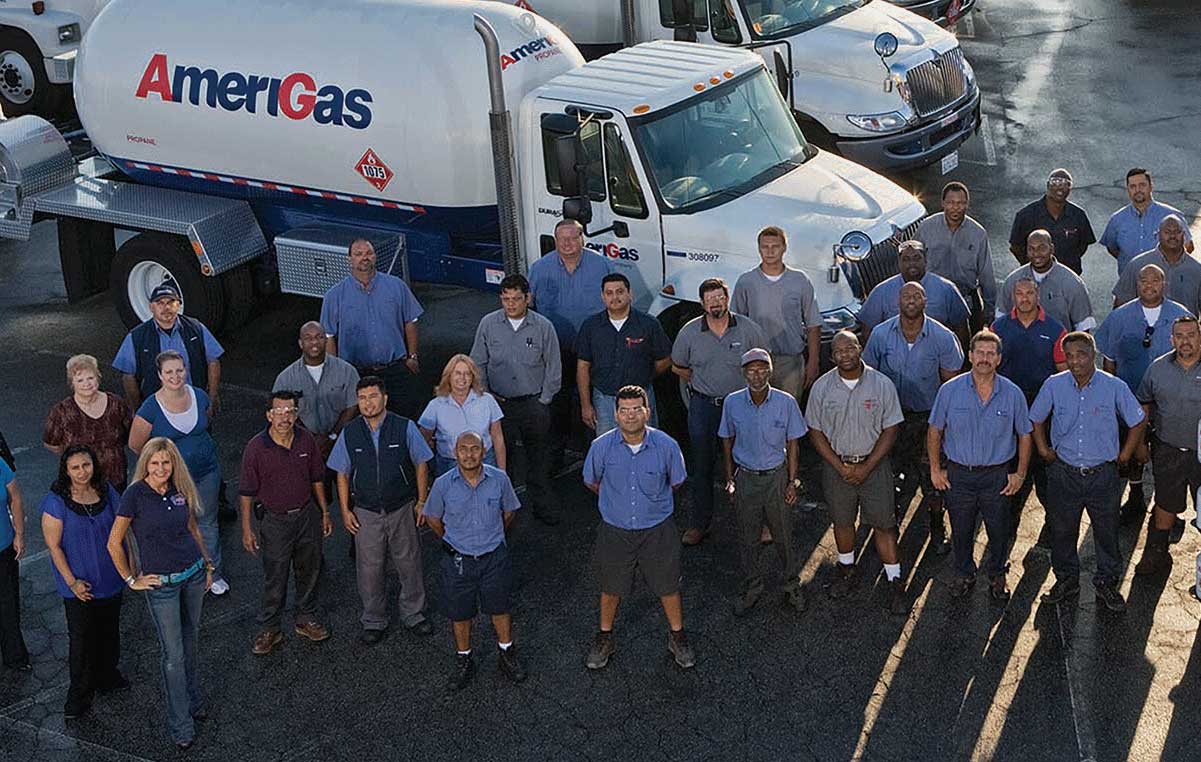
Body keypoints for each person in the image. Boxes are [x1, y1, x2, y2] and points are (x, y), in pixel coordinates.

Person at [107, 438, 215, 750]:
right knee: (173, 655)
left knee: (191, 643)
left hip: (193, 575)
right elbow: (114, 542)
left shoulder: (180, 488)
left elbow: (193, 529)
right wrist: (131, 579)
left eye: (166, 463)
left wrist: (208, 564)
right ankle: (181, 725)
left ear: (173, 464)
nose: (160, 468)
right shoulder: (134, 495)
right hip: (162, 587)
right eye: (154, 463)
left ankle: (195, 702)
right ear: (146, 465)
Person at [1031, 332, 1146, 613]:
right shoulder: (1054, 385)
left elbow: (1137, 419)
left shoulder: (1114, 386)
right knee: (1062, 530)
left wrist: (1125, 454)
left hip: (1102, 475)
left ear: (1092, 354)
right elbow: (1035, 418)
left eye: (1081, 354)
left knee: (1106, 531)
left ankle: (1106, 582)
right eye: (1068, 356)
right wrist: (1044, 450)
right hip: (1064, 473)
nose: (1075, 361)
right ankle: (1066, 580)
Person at [582, 385, 693, 670]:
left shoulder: (667, 446)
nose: (630, 416)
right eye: (624, 410)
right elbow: (592, 481)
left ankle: (677, 636)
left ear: (648, 411)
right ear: (616, 414)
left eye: (636, 409)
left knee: (668, 585)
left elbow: (676, 481)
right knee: (611, 587)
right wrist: (617, 504)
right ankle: (605, 637)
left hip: (657, 529)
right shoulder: (600, 447)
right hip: (615, 530)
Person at [805, 332, 908, 614]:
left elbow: (891, 428)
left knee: (884, 524)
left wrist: (867, 466)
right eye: (838, 351)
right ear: (832, 356)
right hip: (837, 466)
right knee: (842, 521)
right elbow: (815, 431)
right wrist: (840, 467)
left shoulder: (882, 384)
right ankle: (846, 570)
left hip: (874, 466)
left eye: (850, 348)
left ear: (859, 348)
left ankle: (894, 581)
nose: (845, 354)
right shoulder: (822, 388)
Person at [327, 376, 434, 644]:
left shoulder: (404, 427)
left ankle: (414, 614)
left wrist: (421, 501)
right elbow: (341, 472)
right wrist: (345, 510)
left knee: (409, 562)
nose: (367, 403)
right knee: (369, 568)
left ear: (384, 399)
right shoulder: (350, 433)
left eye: (372, 396)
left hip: (401, 507)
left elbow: (421, 462)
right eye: (362, 398)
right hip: (366, 512)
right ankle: (374, 619)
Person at [927, 331, 1032, 601]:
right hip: (959, 476)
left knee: (999, 530)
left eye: (990, 354)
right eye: (979, 353)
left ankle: (997, 574)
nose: (984, 358)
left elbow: (1024, 435)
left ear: (998, 359)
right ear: (970, 355)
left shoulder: (1012, 393)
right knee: (961, 531)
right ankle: (963, 573)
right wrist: (935, 470)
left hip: (997, 476)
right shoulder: (949, 390)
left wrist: (1019, 474)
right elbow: (935, 431)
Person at [863, 281, 964, 554]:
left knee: (932, 480)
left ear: (925, 301)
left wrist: (946, 424)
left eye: (916, 296)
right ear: (898, 301)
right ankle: (888, 524)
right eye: (905, 295)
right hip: (890, 421)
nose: (910, 300)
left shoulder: (942, 337)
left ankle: (936, 526)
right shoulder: (881, 335)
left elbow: (951, 383)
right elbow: (867, 378)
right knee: (889, 475)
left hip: (927, 421)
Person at [423, 431, 524, 689]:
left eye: (475, 448)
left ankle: (506, 653)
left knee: (500, 607)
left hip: (494, 557)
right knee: (460, 613)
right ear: (454, 452)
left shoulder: (499, 479)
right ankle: (464, 659)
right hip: (458, 559)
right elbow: (433, 518)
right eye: (463, 449)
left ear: (484, 450)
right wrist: (453, 541)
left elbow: (509, 511)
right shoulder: (443, 484)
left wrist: (493, 535)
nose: (469, 454)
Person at [673, 278, 769, 545]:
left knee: (748, 466)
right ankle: (699, 525)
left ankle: (757, 524)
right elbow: (676, 365)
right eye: (710, 298)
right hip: (703, 407)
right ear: (702, 303)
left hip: (741, 406)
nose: (716, 302)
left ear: (728, 299)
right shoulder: (689, 332)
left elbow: (763, 362)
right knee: (702, 467)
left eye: (720, 297)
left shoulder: (748, 329)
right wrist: (694, 377)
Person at [239, 391, 333, 656]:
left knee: (309, 569)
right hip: (275, 521)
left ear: (297, 414)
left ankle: (305, 618)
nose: (284, 417)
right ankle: (270, 628)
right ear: (269, 415)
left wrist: (325, 512)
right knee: (275, 575)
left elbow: (317, 479)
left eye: (290, 411)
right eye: (278, 412)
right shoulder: (256, 448)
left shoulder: (307, 442)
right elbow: (246, 492)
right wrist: (247, 529)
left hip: (306, 516)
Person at [1096, 264, 1190, 525]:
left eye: (1155, 281)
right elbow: (1109, 359)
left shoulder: (1180, 316)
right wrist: (1113, 396)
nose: (1149, 286)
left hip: (1170, 401)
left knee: (1167, 454)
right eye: (1144, 281)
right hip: (1131, 398)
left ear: (1164, 284)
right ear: (1136, 285)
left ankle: (1167, 506)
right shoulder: (1120, 317)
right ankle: (1135, 496)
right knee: (1133, 451)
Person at [128, 350, 227, 596]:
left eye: (180, 370)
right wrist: (161, 469)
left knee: (207, 522)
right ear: (160, 375)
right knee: (178, 525)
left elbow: (206, 424)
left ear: (186, 370)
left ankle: (213, 573)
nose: (175, 376)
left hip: (207, 472)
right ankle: (181, 575)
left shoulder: (201, 396)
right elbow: (136, 444)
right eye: (169, 371)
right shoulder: (150, 407)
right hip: (172, 480)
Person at [719, 348, 808, 616]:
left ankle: (791, 585)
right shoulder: (732, 402)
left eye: (762, 370)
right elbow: (727, 440)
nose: (757, 376)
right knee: (748, 537)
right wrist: (729, 479)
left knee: (783, 536)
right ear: (743, 373)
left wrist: (792, 482)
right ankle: (752, 587)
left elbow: (793, 445)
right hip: (746, 476)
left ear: (770, 371)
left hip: (776, 477)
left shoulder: (786, 402)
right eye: (751, 370)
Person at [40, 445, 127, 717]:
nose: (82, 472)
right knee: (81, 643)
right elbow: (54, 546)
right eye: (75, 467)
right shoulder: (56, 502)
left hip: (111, 579)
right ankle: (78, 700)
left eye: (86, 465)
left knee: (109, 633)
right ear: (66, 470)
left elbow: (124, 523)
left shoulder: (106, 489)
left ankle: (107, 678)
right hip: (79, 587)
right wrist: (72, 583)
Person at [469, 273, 561, 525]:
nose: (511, 304)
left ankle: (543, 507)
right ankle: (502, 513)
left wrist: (544, 399)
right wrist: (486, 397)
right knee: (502, 461)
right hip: (500, 406)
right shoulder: (488, 324)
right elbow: (477, 361)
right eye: (506, 299)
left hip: (534, 404)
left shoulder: (543, 327)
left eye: (517, 299)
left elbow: (554, 367)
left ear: (527, 298)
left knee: (538, 459)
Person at [990, 278, 1067, 544]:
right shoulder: (998, 328)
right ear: (1013, 296)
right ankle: (1009, 523)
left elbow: (1063, 374)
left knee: (1046, 469)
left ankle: (1052, 525)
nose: (1024, 298)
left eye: (1029, 293)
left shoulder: (1056, 329)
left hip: (1043, 409)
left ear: (1038, 295)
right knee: (1010, 466)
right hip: (1008, 407)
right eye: (1019, 293)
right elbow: (989, 370)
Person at [528, 219, 613, 459]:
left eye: (572, 237)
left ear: (582, 238)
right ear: (555, 241)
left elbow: (617, 301)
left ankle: (593, 456)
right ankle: (556, 456)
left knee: (591, 404)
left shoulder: (602, 265)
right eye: (561, 239)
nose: (567, 243)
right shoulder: (539, 269)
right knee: (557, 403)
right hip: (555, 350)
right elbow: (530, 308)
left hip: (594, 349)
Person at [319, 238, 424, 417]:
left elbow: (411, 321)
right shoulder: (334, 295)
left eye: (368, 253)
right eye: (358, 254)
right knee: (359, 424)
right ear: (349, 260)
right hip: (356, 374)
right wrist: (336, 373)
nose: (364, 258)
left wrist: (412, 357)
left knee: (405, 420)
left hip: (395, 370)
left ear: (375, 257)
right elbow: (328, 335)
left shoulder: (396, 286)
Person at [1131, 316, 1201, 575]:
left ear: (1200, 335)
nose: (1185, 341)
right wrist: (1139, 444)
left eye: (1191, 334)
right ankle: (1157, 553)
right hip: (1168, 449)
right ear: (1172, 340)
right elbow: (1144, 405)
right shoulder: (1158, 368)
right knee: (1165, 502)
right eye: (1180, 336)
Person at [731, 226, 822, 397]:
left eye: (775, 246)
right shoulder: (746, 282)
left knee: (787, 414)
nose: (770, 251)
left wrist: (813, 362)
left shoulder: (800, 280)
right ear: (759, 249)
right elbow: (735, 324)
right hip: (755, 362)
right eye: (765, 247)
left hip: (790, 362)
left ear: (784, 248)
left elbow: (813, 324)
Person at [576, 272, 671, 435]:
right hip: (605, 400)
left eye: (620, 292)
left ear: (630, 294)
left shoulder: (648, 324)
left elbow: (665, 359)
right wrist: (586, 405)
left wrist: (644, 376)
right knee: (608, 452)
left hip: (641, 400)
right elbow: (583, 366)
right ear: (602, 297)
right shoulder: (591, 326)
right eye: (609, 293)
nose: (615, 297)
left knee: (647, 448)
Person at [112, 283, 224, 412]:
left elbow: (213, 361)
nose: (166, 307)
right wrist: (138, 410)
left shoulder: (196, 328)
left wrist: (211, 399)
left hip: (195, 403)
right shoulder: (136, 336)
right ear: (151, 307)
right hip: (158, 409)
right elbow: (128, 375)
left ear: (179, 305)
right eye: (160, 303)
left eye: (171, 302)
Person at [43, 354, 134, 492]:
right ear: (72, 383)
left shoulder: (116, 403)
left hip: (116, 477)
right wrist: (74, 456)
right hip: (81, 482)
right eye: (80, 380)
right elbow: (52, 443)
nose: (87, 383)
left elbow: (131, 434)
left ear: (98, 378)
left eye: (90, 378)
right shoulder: (61, 411)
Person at [272, 321, 360, 461]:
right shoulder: (285, 379)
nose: (314, 342)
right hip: (301, 450)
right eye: (308, 338)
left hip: (342, 446)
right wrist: (312, 440)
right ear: (301, 343)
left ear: (326, 340)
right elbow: (281, 414)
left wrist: (332, 437)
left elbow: (353, 407)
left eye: (319, 337)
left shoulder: (347, 371)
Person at [857, 240, 971, 348]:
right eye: (906, 259)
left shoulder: (946, 288)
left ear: (925, 260)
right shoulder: (882, 291)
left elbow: (961, 328)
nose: (912, 264)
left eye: (917, 258)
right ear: (899, 263)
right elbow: (867, 329)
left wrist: (961, 363)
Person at [917, 181, 997, 333]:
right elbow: (914, 261)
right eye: (951, 203)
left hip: (966, 297)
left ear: (967, 204)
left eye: (961, 203)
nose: (956, 208)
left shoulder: (978, 233)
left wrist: (989, 309)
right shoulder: (926, 227)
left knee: (970, 345)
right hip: (933, 299)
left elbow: (987, 275)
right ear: (943, 203)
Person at [418, 354, 506, 477]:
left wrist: (502, 474)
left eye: (467, 373)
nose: (462, 378)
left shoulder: (487, 400)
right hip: (449, 465)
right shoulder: (435, 405)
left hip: (485, 463)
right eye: (457, 373)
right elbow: (422, 441)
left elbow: (498, 438)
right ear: (449, 376)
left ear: (473, 377)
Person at [997, 229, 1096, 332]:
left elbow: (1083, 328)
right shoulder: (1012, 281)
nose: (1036, 253)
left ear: (1052, 249)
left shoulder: (1072, 283)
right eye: (1031, 249)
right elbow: (1000, 321)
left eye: (1042, 248)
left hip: (1058, 345)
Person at [1100, 168, 1194, 277]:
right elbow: (1112, 248)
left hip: (1166, 283)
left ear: (1151, 186)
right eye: (1133, 186)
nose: (1138, 190)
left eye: (1142, 185)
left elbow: (1188, 247)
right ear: (1128, 189)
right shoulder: (1117, 219)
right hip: (1129, 284)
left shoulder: (1172, 216)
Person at [1009, 168, 1096, 275]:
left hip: (1069, 276)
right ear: (1047, 185)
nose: (1059, 187)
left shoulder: (1078, 215)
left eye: (1065, 184)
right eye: (1055, 182)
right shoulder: (1026, 215)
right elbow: (1015, 246)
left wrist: (1069, 260)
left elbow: (1083, 245)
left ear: (1070, 189)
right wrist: (1034, 263)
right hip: (1034, 278)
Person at [1112, 215, 1201, 315]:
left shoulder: (1197, 270)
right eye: (1167, 232)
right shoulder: (1137, 265)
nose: (1172, 236)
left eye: (1177, 232)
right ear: (1157, 235)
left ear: (1184, 235)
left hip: (1184, 330)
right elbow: (1120, 306)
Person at [0, 447, 29, 671]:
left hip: (3, 546)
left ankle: (15, 657)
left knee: (9, 603)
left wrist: (19, 534)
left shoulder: (0, 464)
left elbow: (15, 498)